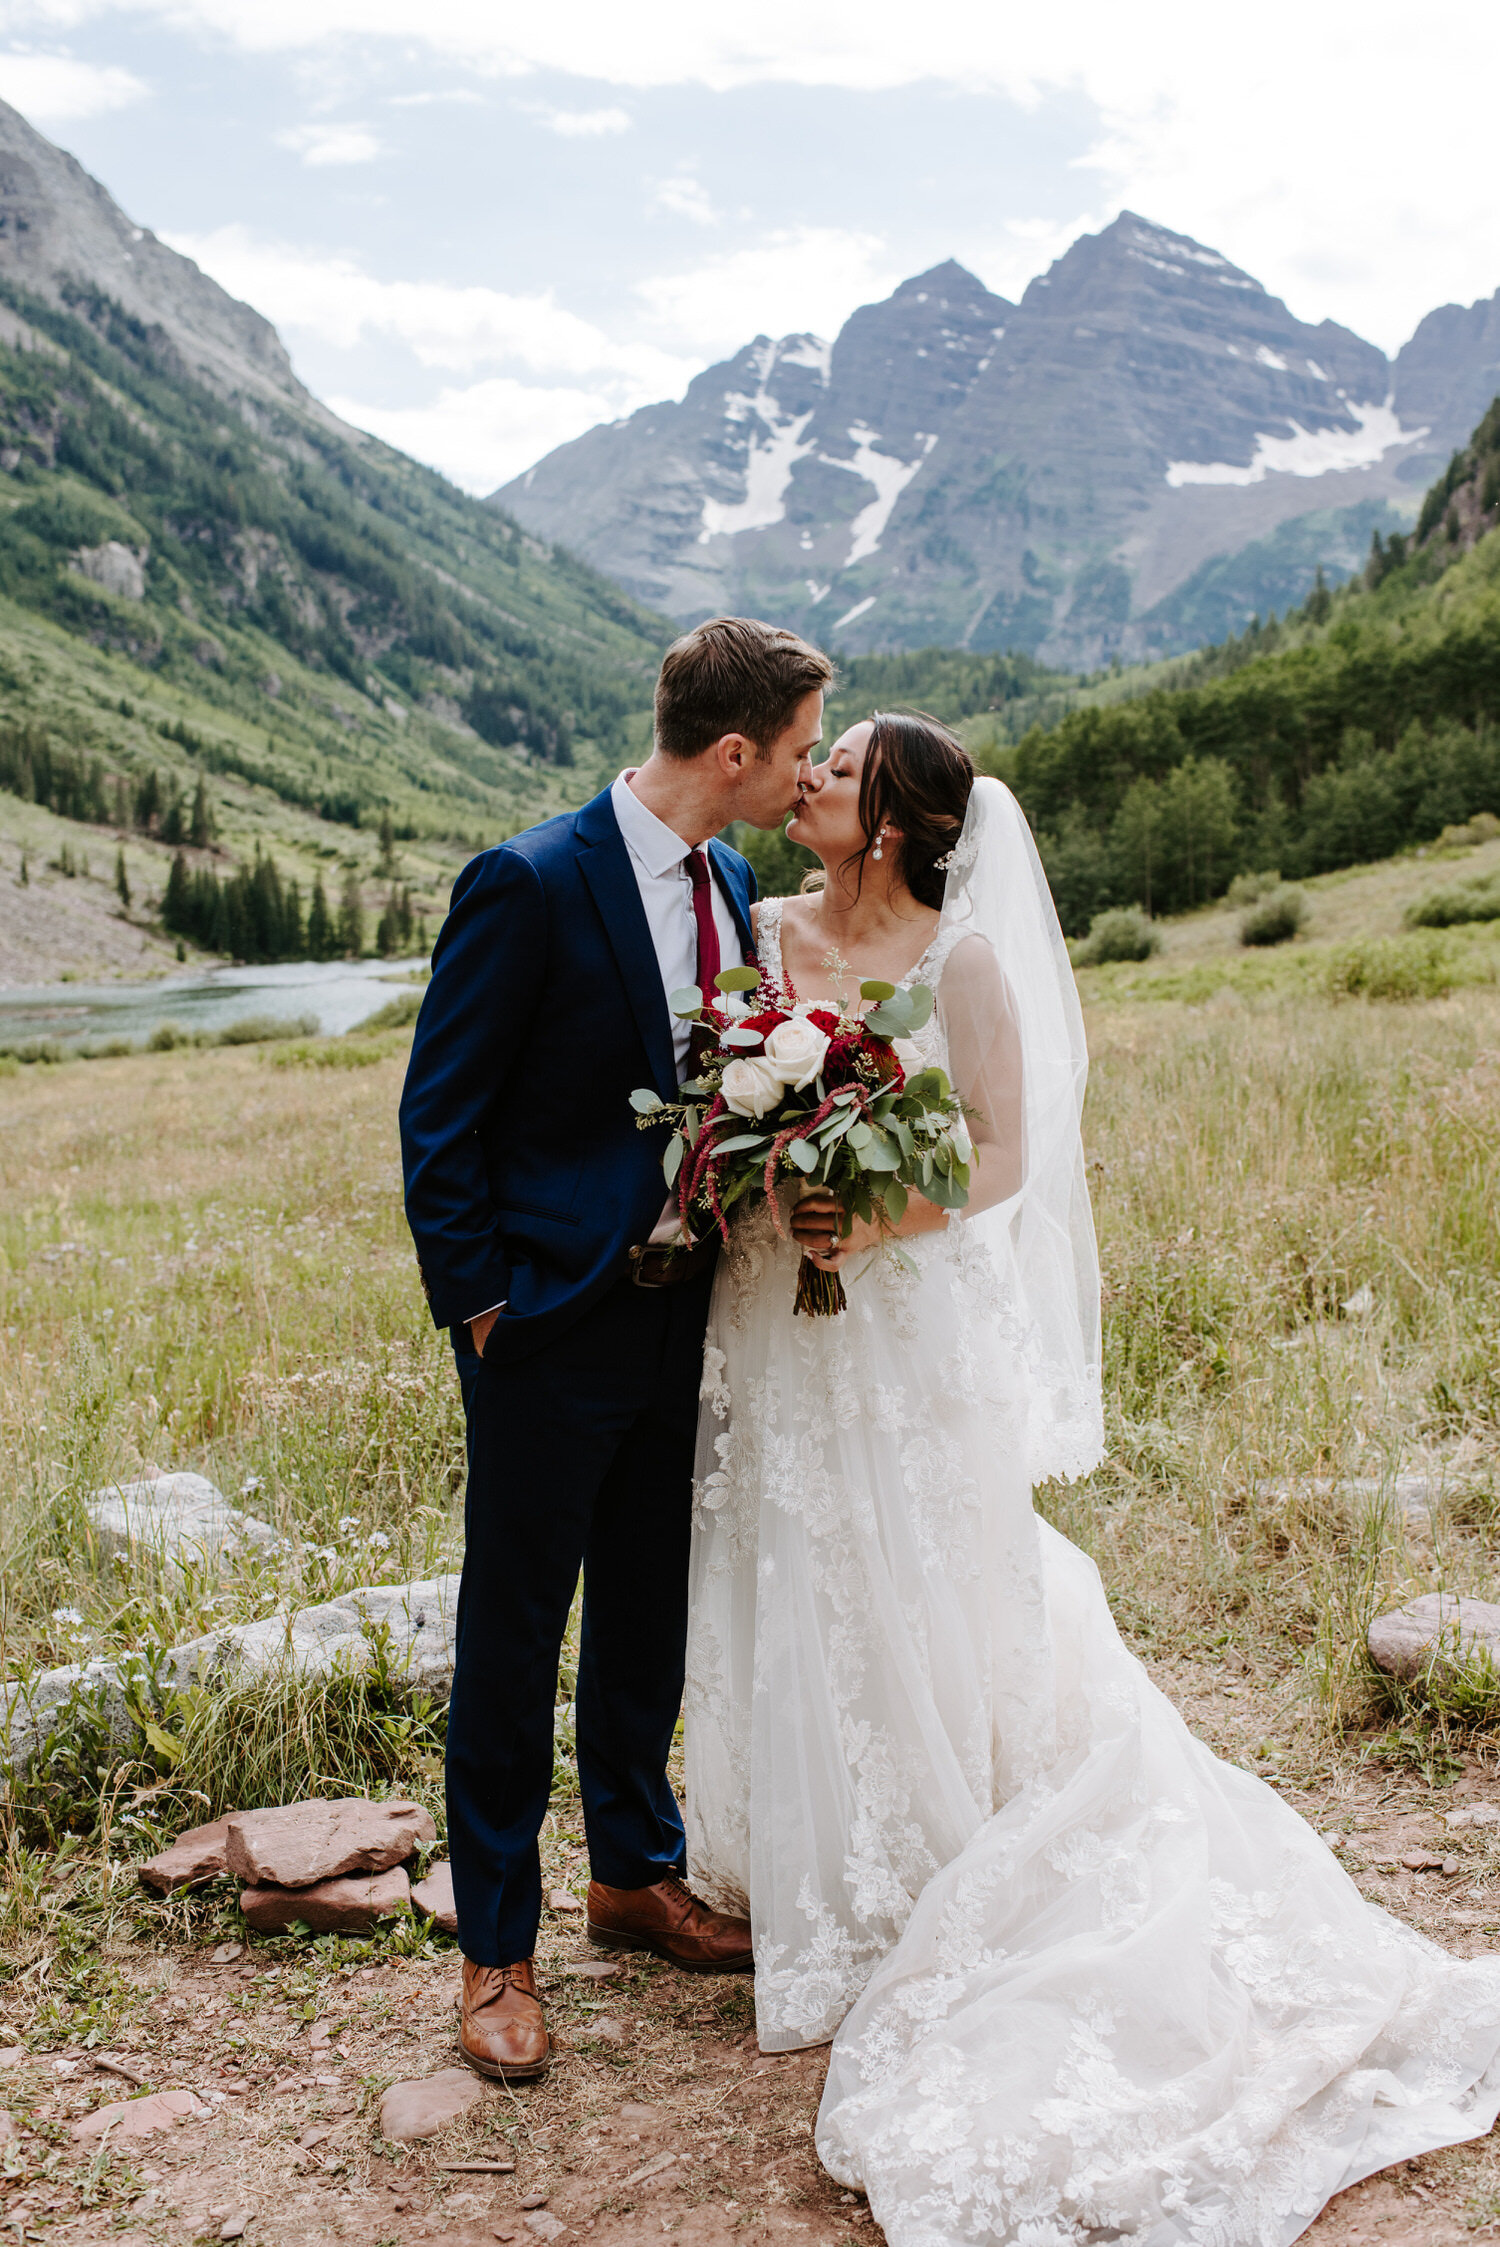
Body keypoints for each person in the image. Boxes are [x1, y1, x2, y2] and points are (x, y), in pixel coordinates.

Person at [685, 711, 1500, 2245]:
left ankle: (937, 1835)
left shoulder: (964, 962)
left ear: (905, 823)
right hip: (773, 1316)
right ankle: (793, 1848)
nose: (813, 778)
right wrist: (768, 1171)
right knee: (788, 1554)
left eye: (842, 768)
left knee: (919, 1557)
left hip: (899, 1311)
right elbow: (735, 1088)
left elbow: (996, 1157)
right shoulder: (763, 928)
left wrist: (868, 1225)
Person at [400, 615, 832, 2081]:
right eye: (794, 753)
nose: (804, 775)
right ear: (732, 752)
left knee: (652, 1603)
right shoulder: (528, 882)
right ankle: (496, 1952)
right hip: (547, 1322)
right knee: (515, 1637)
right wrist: (485, 1307)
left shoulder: (731, 872)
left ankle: (633, 1878)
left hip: (687, 1311)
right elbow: (439, 1118)